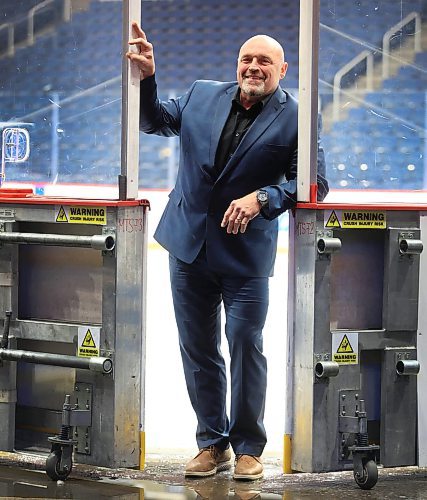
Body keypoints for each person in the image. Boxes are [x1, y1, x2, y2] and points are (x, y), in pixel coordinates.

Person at [127, 22, 328, 481]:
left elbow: (313, 182)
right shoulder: (201, 94)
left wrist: (264, 198)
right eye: (247, 59)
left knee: (245, 345)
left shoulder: (297, 115)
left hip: (246, 257)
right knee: (198, 349)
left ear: (283, 69)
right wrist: (148, 78)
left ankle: (249, 448)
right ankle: (211, 444)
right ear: (237, 64)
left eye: (264, 61)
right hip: (188, 248)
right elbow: (154, 120)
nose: (253, 67)